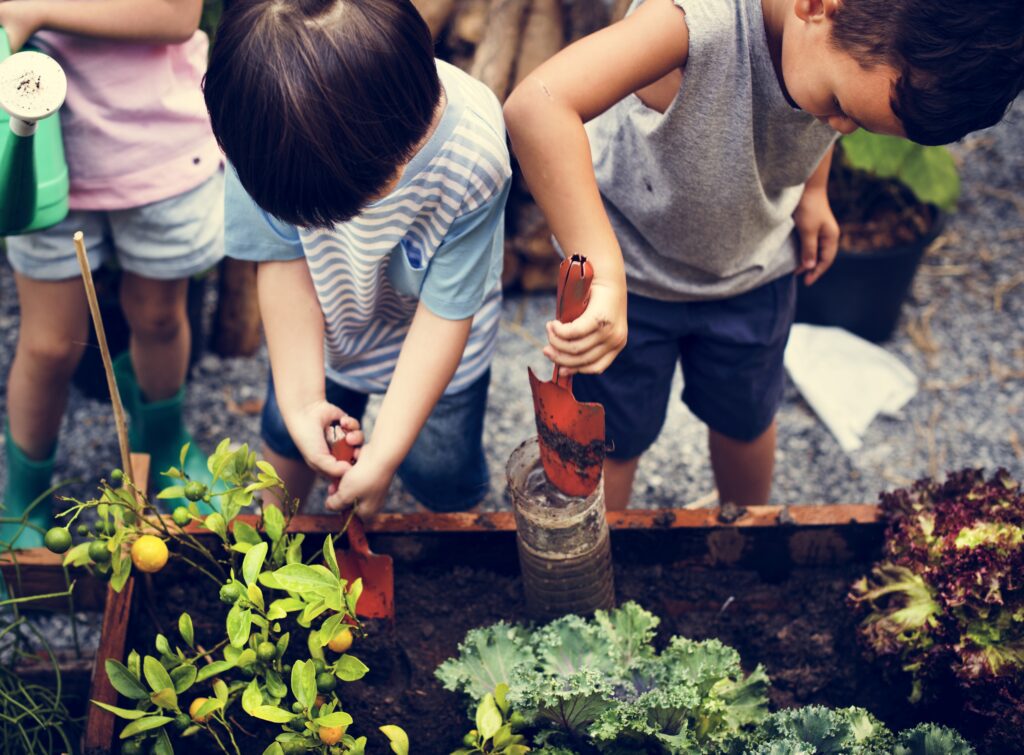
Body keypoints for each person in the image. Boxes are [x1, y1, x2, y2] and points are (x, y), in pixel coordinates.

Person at [504, 0, 1023, 510]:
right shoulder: (691, 23)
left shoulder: (836, 42)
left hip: (754, 271)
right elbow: (538, 106)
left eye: (858, 123)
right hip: (631, 282)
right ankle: (605, 570)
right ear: (817, 6)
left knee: (747, 422)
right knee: (613, 441)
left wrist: (813, 193)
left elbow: (815, 117)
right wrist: (604, 269)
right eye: (840, 106)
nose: (839, 127)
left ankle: (744, 546)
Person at [203, 0, 511, 519]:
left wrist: (385, 452)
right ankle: (277, 543)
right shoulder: (261, 128)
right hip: (325, 327)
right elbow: (283, 262)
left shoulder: (474, 155)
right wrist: (303, 401)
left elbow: (445, 314)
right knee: (288, 432)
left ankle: (446, 538)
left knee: (440, 467)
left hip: (438, 339)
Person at [0, 0, 224, 547]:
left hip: (155, 145)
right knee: (50, 345)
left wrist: (33, 10)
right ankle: (24, 495)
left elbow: (176, 15)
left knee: (159, 316)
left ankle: (164, 438)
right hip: (40, 151)